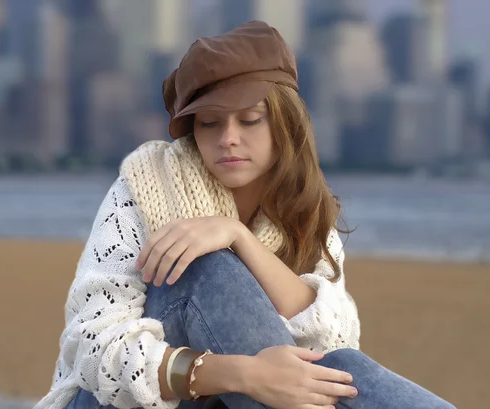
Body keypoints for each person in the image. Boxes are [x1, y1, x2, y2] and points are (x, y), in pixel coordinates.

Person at [35, 21, 456, 409]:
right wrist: (247, 375)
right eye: (210, 124)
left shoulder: (306, 207)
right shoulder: (145, 186)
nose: (228, 139)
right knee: (205, 265)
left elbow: (332, 343)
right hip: (113, 402)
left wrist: (240, 237)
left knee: (340, 365)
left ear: (284, 123)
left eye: (250, 120)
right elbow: (91, 348)